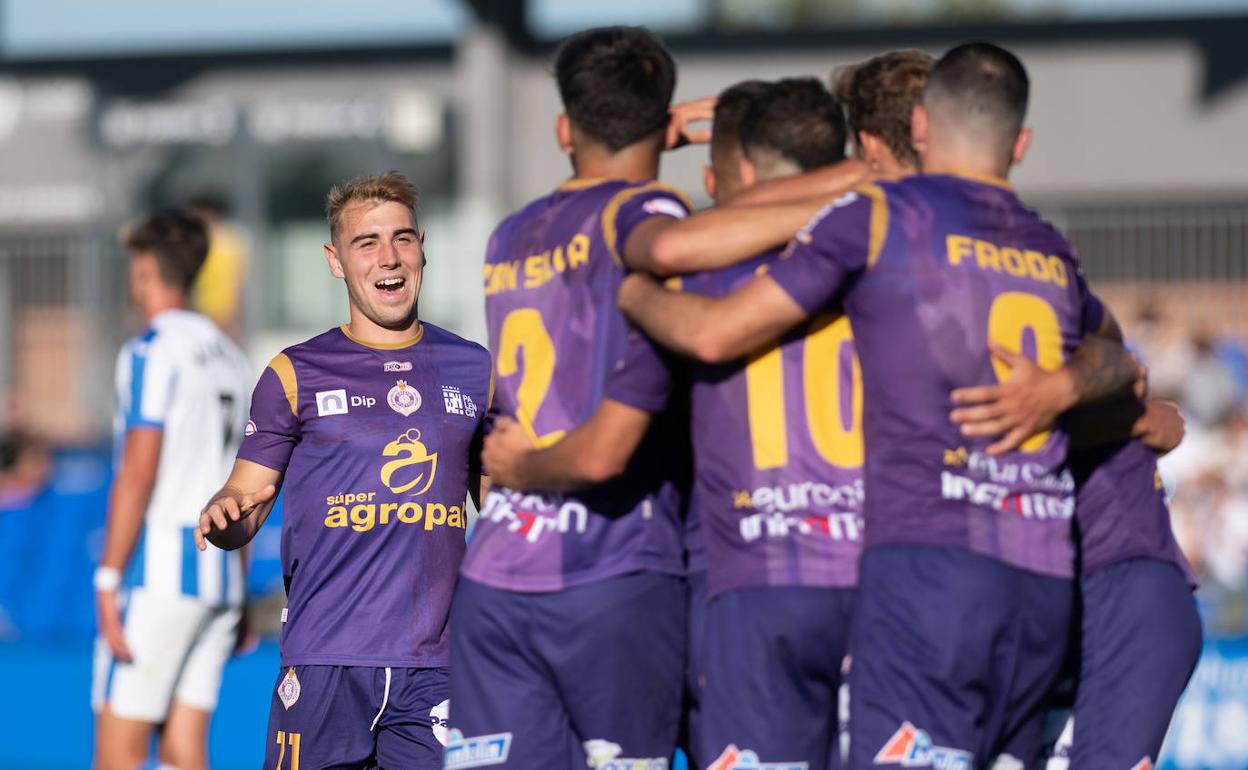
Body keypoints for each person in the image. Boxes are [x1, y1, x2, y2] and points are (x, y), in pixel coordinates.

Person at [618, 43, 1140, 768]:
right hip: (1041, 578)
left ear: (921, 125)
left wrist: (631, 287)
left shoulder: (881, 217)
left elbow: (711, 326)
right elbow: (1120, 358)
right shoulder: (1049, 246)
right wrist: (1063, 386)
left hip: (924, 570)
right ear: (1020, 143)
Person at [447, 26, 702, 770]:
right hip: (614, 565)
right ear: (665, 122)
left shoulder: (508, 235)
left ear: (565, 128)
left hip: (497, 571)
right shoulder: (649, 218)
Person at [195, 171, 491, 770]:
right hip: (325, 661)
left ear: (423, 247)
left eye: (402, 239)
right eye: (367, 243)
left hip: (437, 666)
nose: (389, 258)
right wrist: (226, 517)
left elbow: (503, 506)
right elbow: (246, 496)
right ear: (336, 260)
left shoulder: (474, 368)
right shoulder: (294, 373)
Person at [674, 77, 861, 770]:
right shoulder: (891, 251)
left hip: (747, 581)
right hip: (879, 580)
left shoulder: (693, 275)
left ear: (742, 170)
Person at [92, 211, 250, 770]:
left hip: (160, 574)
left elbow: (137, 471)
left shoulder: (150, 351)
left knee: (118, 755)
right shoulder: (231, 357)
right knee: (185, 753)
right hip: (220, 575)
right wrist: (240, 579)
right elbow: (248, 478)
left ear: (144, 270)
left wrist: (108, 579)